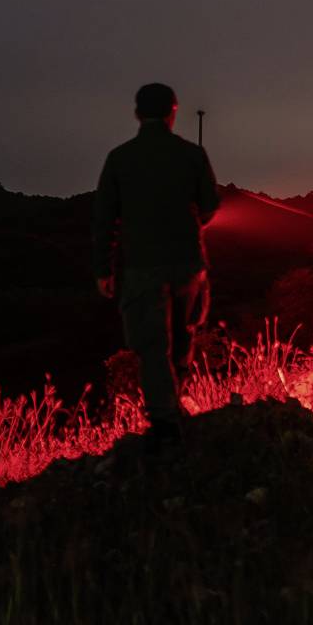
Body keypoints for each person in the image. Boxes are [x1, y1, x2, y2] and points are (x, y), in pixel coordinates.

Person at [92, 82, 221, 448]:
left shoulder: (119, 159)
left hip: (141, 267)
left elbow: (104, 219)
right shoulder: (192, 155)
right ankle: (173, 407)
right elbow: (210, 204)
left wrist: (103, 269)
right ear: (173, 112)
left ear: (137, 114)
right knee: (183, 337)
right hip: (187, 264)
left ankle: (165, 423)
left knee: (152, 345)